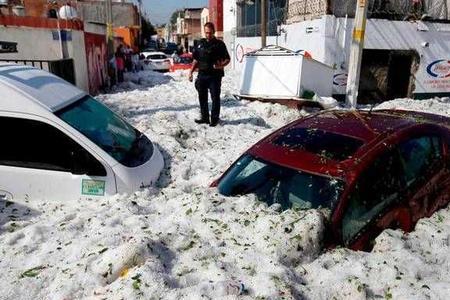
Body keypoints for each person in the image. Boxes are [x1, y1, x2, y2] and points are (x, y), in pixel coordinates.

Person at [188, 22, 230, 127]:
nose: (208, 35)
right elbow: (195, 60)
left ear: (214, 32)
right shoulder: (199, 43)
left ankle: (214, 119)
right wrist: (191, 72)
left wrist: (220, 66)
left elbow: (227, 59)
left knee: (215, 98)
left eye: (210, 33)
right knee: (202, 97)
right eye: (206, 33)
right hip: (202, 74)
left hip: (215, 76)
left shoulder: (219, 44)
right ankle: (205, 117)